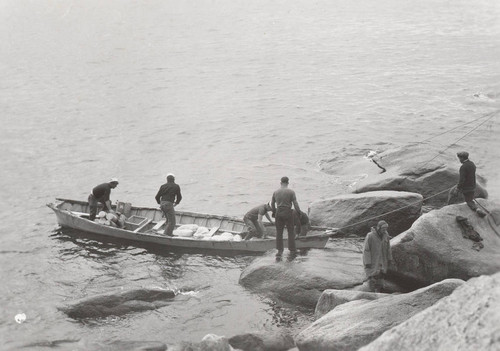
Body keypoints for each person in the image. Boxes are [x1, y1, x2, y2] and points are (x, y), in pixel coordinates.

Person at [271, 176, 302, 257]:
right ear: (288, 183)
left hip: (279, 211)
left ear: (280, 183)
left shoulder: (275, 192)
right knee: (290, 232)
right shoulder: (291, 192)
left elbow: (272, 204)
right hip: (288, 212)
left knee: (279, 232)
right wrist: (299, 212)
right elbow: (295, 204)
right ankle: (292, 250)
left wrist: (274, 212)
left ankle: (279, 251)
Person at [449, 151, 486, 217]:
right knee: (469, 199)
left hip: (466, 187)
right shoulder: (472, 164)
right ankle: (476, 208)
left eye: (460, 158)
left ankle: (449, 208)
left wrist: (457, 188)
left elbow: (462, 180)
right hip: (473, 186)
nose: (459, 160)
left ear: (462, 158)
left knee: (453, 193)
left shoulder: (463, 167)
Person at [363, 220, 394, 292]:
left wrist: (389, 259)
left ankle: (379, 292)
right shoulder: (370, 235)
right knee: (372, 277)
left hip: (383, 261)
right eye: (383, 228)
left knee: (381, 277)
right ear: (378, 227)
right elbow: (366, 250)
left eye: (386, 228)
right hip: (373, 261)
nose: (385, 230)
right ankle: (371, 293)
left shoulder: (386, 235)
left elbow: (388, 248)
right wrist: (367, 262)